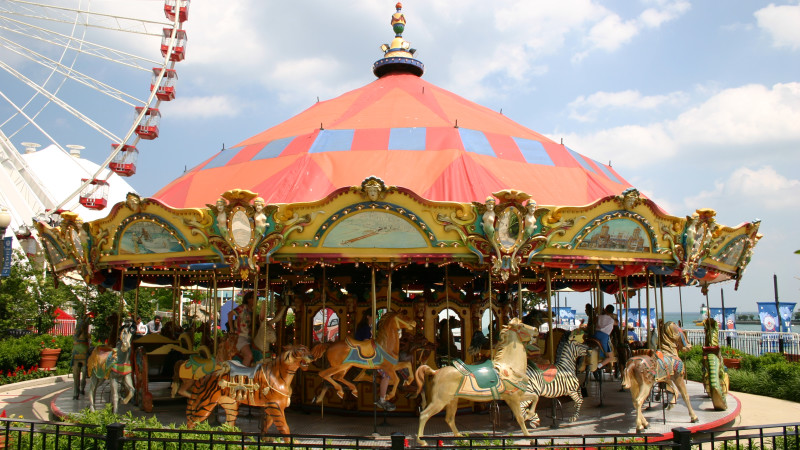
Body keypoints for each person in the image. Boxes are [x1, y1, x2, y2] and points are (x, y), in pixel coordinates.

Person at [354, 311, 395, 411]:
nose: (375, 319)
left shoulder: (369, 328)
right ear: (368, 316)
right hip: (366, 355)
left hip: (369, 353)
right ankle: (381, 399)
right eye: (373, 317)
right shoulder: (365, 329)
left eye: (376, 318)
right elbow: (365, 343)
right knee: (386, 374)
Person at [594, 304, 618, 369]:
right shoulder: (611, 320)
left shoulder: (599, 317)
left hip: (596, 335)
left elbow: (594, 321)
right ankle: (599, 366)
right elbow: (617, 323)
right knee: (610, 357)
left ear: (605, 309)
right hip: (604, 337)